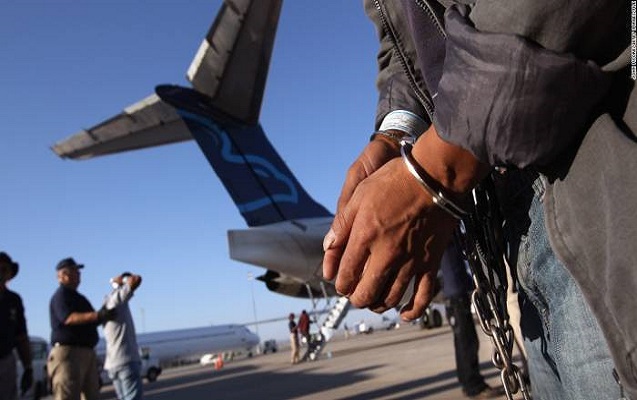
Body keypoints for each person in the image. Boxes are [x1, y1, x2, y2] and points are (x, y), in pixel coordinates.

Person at [322, 1, 634, 399]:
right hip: (512, 212)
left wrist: (437, 168)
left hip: (595, 165)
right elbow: (404, 43)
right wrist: (399, 131)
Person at [440, 238, 503, 399]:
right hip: (455, 298)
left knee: (467, 341)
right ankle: (473, 386)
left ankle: (471, 384)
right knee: (466, 342)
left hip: (458, 293)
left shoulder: (450, 240)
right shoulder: (443, 238)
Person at [48, 257, 116, 400]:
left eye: (78, 272)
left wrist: (104, 314)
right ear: (62, 276)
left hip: (86, 352)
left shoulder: (80, 298)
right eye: (74, 271)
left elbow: (92, 319)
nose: (78, 274)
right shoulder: (61, 296)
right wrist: (97, 315)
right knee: (68, 395)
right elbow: (69, 318)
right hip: (69, 354)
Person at [103, 272, 143, 400]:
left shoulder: (106, 306)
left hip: (112, 363)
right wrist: (124, 280)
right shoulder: (117, 301)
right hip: (126, 360)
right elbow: (137, 279)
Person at [0, 252, 33, 400]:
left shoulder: (14, 300)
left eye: (4, 270)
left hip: (6, 360)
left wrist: (28, 367)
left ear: (9, 274)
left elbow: (21, 336)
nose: (1, 274)